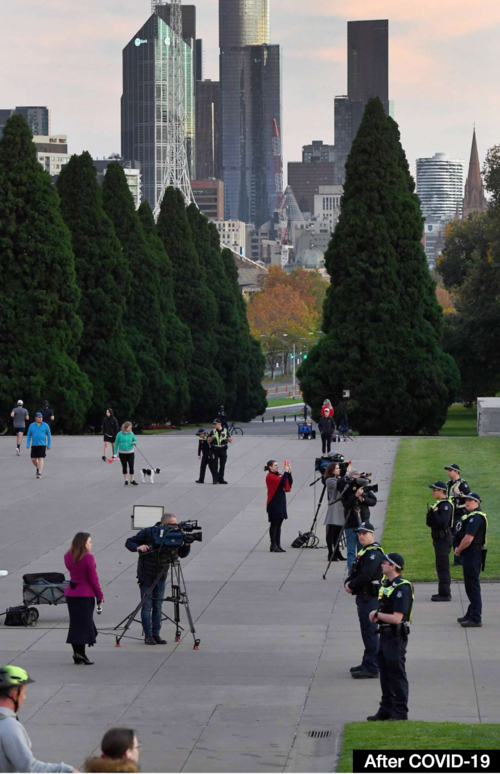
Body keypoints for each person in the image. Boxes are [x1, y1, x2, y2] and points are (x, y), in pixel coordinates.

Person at [125, 514, 191, 645]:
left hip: (162, 574)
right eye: (173, 524)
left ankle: (156, 634)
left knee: (158, 606)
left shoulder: (176, 534)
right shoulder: (149, 532)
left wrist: (187, 543)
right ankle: (148, 635)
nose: (175, 526)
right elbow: (129, 542)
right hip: (146, 574)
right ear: (164, 523)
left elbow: (182, 554)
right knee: (147, 605)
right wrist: (138, 547)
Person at [0, 665, 78, 773]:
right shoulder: (9, 726)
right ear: (14, 695)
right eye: (23, 693)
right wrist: (66, 770)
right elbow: (29, 767)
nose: (24, 697)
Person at [367, 553, 414, 722]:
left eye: (384, 563)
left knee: (396, 674)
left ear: (393, 566)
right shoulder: (388, 584)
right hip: (385, 635)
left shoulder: (402, 587)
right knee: (385, 675)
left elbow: (397, 618)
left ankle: (400, 712)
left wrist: (376, 614)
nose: (381, 565)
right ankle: (386, 709)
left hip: (395, 636)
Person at [345, 521, 384, 679]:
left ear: (372, 535)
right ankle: (367, 661)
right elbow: (356, 571)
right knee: (367, 632)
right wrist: (349, 582)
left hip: (370, 598)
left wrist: (351, 585)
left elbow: (365, 575)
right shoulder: (366, 551)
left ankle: (372, 666)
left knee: (370, 632)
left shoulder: (373, 553)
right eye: (359, 534)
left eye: (364, 533)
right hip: (364, 596)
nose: (361, 536)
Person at [64, 532, 104, 665]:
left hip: (72, 594)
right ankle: (81, 654)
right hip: (85, 594)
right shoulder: (88, 558)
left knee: (76, 624)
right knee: (84, 624)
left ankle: (77, 653)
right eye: (89, 542)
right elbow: (93, 579)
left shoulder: (67, 556)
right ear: (83, 543)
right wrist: (100, 595)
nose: (91, 544)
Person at [455, 493, 487, 628]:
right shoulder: (470, 516)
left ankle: (475, 617)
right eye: (466, 500)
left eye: (471, 501)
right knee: (470, 585)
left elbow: (468, 538)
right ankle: (471, 612)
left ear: (477, 503)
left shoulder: (476, 518)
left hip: (472, 553)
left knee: (472, 586)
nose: (467, 502)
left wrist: (458, 550)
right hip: (470, 554)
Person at [342, 472, 377, 572]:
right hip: (351, 524)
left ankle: (362, 570)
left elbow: (373, 501)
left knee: (363, 550)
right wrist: (355, 496)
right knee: (351, 551)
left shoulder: (364, 489)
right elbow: (346, 505)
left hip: (364, 523)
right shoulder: (347, 489)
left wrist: (363, 499)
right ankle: (351, 572)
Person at [426, 481, 453, 601]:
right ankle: (442, 591)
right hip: (438, 538)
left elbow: (443, 523)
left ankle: (445, 593)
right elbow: (429, 523)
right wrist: (431, 514)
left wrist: (435, 513)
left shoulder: (445, 505)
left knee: (443, 566)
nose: (433, 492)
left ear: (441, 491)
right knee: (440, 565)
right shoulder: (438, 504)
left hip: (444, 538)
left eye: (434, 490)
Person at [444, 464, 471, 566]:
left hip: (459, 514)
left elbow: (470, 497)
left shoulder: (462, 484)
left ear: (456, 472)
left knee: (458, 536)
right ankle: (457, 560)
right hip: (450, 514)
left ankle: (459, 560)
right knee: (451, 536)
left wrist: (459, 494)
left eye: (450, 470)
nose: (448, 472)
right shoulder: (448, 484)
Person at [264, 460, 292, 553]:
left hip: (280, 502)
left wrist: (289, 473)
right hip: (273, 502)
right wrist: (286, 473)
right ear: (270, 467)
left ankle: (278, 544)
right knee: (274, 524)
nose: (277, 467)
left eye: (277, 465)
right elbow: (281, 482)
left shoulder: (278, 475)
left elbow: (288, 482)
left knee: (279, 524)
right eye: (275, 465)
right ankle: (273, 544)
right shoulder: (270, 476)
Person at [323, 462, 346, 561]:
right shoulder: (329, 480)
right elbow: (340, 485)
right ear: (332, 470)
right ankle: (330, 553)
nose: (339, 469)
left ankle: (337, 552)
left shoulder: (337, 479)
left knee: (339, 533)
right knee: (331, 531)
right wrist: (347, 474)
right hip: (334, 507)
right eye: (337, 468)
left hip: (340, 507)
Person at [26, 412, 51, 479]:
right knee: (33, 459)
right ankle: (38, 467)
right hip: (34, 444)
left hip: (42, 444)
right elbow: (29, 435)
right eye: (39, 417)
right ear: (36, 418)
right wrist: (28, 443)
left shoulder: (45, 425)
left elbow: (49, 435)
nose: (40, 419)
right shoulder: (32, 425)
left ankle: (39, 472)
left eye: (41, 417)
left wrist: (49, 445)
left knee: (40, 458)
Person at [208, 419, 232, 484]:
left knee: (222, 465)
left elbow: (230, 440)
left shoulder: (225, 430)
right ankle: (215, 479)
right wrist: (212, 438)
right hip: (215, 449)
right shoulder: (213, 431)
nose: (214, 425)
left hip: (223, 449)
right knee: (214, 465)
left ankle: (221, 479)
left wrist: (228, 438)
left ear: (219, 424)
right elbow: (208, 441)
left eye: (215, 424)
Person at [114, 422, 138, 486]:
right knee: (124, 466)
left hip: (130, 452)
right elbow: (116, 444)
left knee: (131, 466)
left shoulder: (131, 433)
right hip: (122, 453)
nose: (129, 429)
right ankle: (126, 480)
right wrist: (115, 453)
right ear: (125, 427)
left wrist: (134, 442)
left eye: (130, 428)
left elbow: (135, 440)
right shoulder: (119, 434)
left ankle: (132, 480)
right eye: (128, 427)